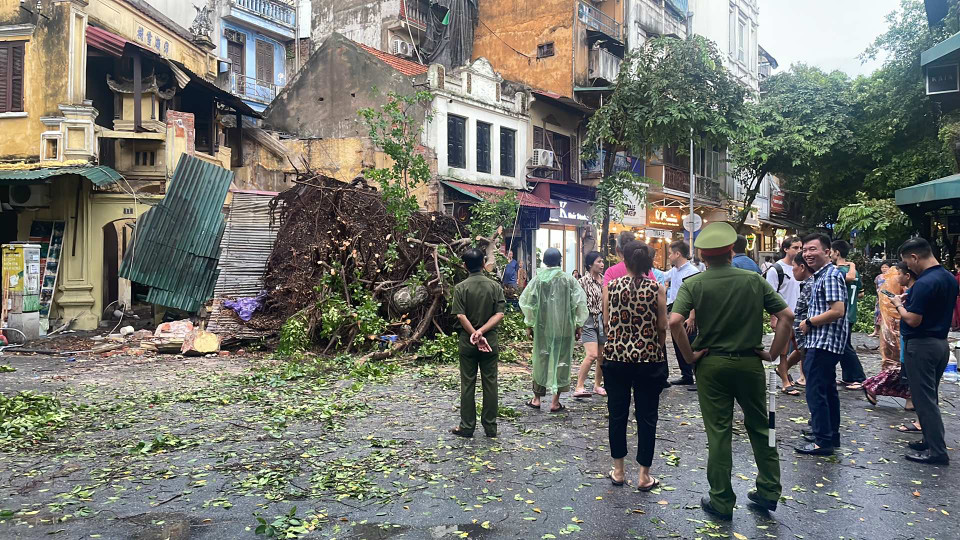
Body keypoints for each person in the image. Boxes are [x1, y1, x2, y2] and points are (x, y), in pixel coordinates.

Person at [670, 222, 793, 521]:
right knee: (762, 427)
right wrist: (773, 354)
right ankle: (768, 490)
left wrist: (690, 356)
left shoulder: (694, 284)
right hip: (750, 363)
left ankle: (722, 499)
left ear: (702, 254)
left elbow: (674, 322)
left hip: (711, 366)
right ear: (730, 251)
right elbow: (787, 316)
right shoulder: (754, 280)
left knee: (719, 431)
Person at [603, 241, 668, 490]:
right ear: (647, 263)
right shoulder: (656, 288)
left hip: (616, 359)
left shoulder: (611, 287)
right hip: (648, 359)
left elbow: (608, 323)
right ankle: (644, 475)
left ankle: (618, 471)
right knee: (647, 416)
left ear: (625, 261)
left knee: (617, 415)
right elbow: (662, 326)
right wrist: (656, 346)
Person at [890, 237, 957, 465]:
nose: (908, 267)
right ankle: (929, 440)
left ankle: (937, 451)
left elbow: (914, 319)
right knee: (931, 396)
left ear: (915, 257)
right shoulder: (948, 277)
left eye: (907, 262)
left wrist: (899, 305)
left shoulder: (924, 283)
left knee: (924, 400)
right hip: (940, 343)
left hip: (922, 346)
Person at [796, 233, 848, 456]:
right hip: (821, 341)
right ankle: (829, 436)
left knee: (816, 391)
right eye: (805, 250)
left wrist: (809, 322)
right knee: (827, 390)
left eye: (813, 249)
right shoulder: (821, 276)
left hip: (824, 342)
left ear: (827, 252)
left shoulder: (830, 276)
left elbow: (838, 310)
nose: (808, 254)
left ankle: (822, 440)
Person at [519, 248, 589, 413]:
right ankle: (555, 402)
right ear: (560, 261)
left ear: (544, 261)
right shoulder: (569, 280)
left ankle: (536, 399)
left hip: (542, 329)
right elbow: (579, 303)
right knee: (562, 362)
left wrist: (529, 324)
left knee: (541, 360)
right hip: (564, 328)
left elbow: (527, 303)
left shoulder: (538, 280)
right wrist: (578, 325)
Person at [449, 248, 506, 438]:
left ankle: (467, 426)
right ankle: (490, 427)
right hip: (490, 342)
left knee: (468, 384)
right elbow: (499, 314)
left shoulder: (460, 288)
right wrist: (482, 332)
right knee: (490, 383)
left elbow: (460, 315)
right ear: (483, 263)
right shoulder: (495, 286)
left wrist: (474, 333)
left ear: (465, 266)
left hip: (468, 343)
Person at [862, 263, 913, 407]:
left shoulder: (905, 284)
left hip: (899, 328)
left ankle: (911, 400)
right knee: (900, 368)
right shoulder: (902, 285)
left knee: (906, 370)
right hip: (901, 330)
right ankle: (873, 386)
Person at [767, 237, 804, 391]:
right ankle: (785, 382)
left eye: (800, 247)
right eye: (795, 247)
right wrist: (773, 317)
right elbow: (770, 295)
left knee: (803, 349)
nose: (799, 251)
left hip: (801, 315)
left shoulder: (802, 268)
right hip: (783, 316)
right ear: (786, 249)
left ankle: (785, 370)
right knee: (782, 351)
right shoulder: (776, 269)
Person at [664, 240, 700, 388]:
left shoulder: (692, 271)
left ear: (678, 254)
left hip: (686, 314)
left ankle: (698, 376)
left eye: (671, 253)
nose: (669, 257)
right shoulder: (675, 270)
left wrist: (692, 317)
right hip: (675, 311)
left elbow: (695, 295)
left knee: (690, 344)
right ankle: (686, 375)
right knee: (678, 344)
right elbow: (662, 276)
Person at [780, 254, 815, 396]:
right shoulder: (807, 283)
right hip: (797, 328)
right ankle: (784, 375)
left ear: (802, 267)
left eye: (793, 266)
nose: (792, 270)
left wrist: (807, 323)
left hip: (807, 333)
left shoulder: (812, 285)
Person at [574, 252, 606, 398]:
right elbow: (578, 303)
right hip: (588, 319)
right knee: (592, 354)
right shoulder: (582, 282)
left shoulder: (605, 280)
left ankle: (597, 385)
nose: (602, 264)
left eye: (602, 262)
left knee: (602, 355)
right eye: (599, 262)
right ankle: (579, 386)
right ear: (590, 264)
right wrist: (577, 323)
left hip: (603, 319)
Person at [871, 262, 891, 337]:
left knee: (885, 315)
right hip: (879, 297)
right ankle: (876, 330)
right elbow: (876, 287)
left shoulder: (891, 277)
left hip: (887, 299)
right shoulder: (878, 277)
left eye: (886, 267)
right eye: (882, 267)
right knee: (877, 313)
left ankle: (884, 332)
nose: (884, 269)